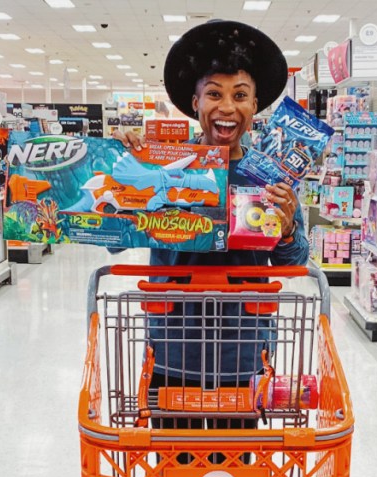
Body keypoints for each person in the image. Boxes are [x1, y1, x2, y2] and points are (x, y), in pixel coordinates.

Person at [114, 20, 309, 431]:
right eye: (214, 95)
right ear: (195, 102)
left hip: (243, 346)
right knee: (173, 457)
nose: (226, 107)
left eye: (240, 95)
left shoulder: (271, 176)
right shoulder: (164, 165)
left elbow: (297, 258)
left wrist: (288, 228)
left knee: (236, 465)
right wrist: (123, 173)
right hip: (172, 342)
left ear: (255, 105)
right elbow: (117, 236)